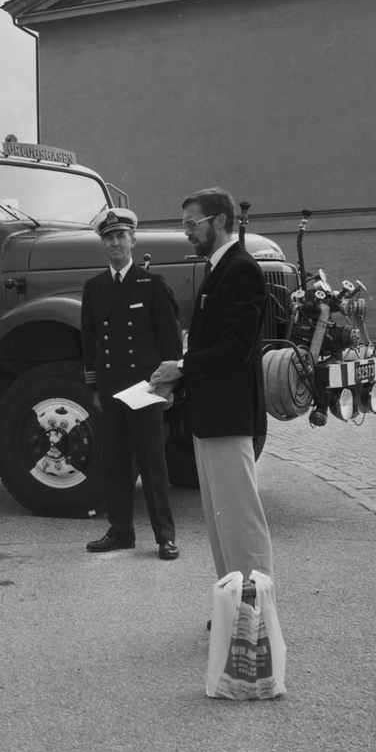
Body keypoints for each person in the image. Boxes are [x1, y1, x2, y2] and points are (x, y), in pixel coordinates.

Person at [150, 187, 274, 581]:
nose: (186, 231)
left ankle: (253, 615)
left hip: (228, 418)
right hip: (212, 418)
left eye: (192, 223)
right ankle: (233, 604)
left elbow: (236, 349)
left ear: (219, 221)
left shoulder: (240, 269)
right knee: (221, 524)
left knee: (240, 522)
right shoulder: (218, 268)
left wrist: (182, 367)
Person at [81, 207, 183, 560]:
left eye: (120, 236)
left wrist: (168, 387)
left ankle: (165, 537)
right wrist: (94, 387)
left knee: (153, 463)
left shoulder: (151, 284)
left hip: (146, 389)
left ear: (133, 240)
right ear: (103, 244)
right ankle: (120, 531)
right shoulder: (93, 288)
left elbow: (171, 343)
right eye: (108, 238)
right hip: (111, 389)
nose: (114, 243)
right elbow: (88, 342)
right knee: (115, 464)